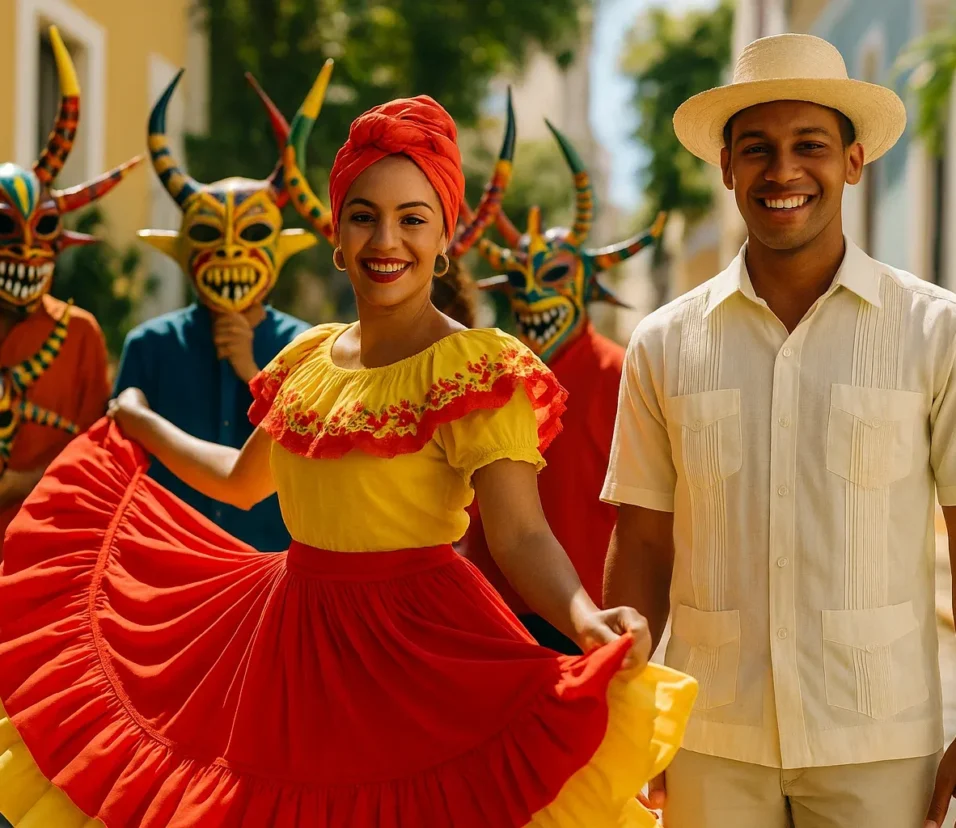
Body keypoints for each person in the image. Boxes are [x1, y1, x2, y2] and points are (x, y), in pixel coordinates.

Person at [0, 67, 696, 827]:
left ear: (444, 237)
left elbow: (522, 533)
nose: (385, 239)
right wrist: (139, 419)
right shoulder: (305, 361)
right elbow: (239, 482)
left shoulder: (479, 367)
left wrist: (587, 621)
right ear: (335, 235)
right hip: (287, 652)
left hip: (418, 660)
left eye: (412, 218)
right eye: (363, 216)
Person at [602, 32, 956, 828]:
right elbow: (645, 542)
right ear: (726, 167)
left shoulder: (936, 332)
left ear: (854, 162)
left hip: (878, 740)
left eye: (811, 146)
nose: (784, 171)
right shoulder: (664, 343)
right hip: (709, 738)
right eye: (757, 148)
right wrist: (619, 707)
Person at [462, 112, 665, 653]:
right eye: (519, 284)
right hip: (494, 620)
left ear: (585, 284)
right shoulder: (487, 377)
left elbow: (654, 521)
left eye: (551, 278)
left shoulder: (624, 375)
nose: (531, 298)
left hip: (595, 621)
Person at [113, 69, 318, 552]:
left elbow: (313, 455)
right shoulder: (149, 346)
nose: (230, 253)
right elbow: (116, 467)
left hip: (273, 568)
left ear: (278, 247)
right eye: (208, 235)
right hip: (167, 568)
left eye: (250, 235)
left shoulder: (309, 349)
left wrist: (253, 369)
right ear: (182, 248)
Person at [0, 26, 139, 558]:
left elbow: (94, 455)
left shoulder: (77, 334)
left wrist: (22, 481)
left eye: (46, 229)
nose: (31, 253)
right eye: (9, 232)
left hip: (44, 554)